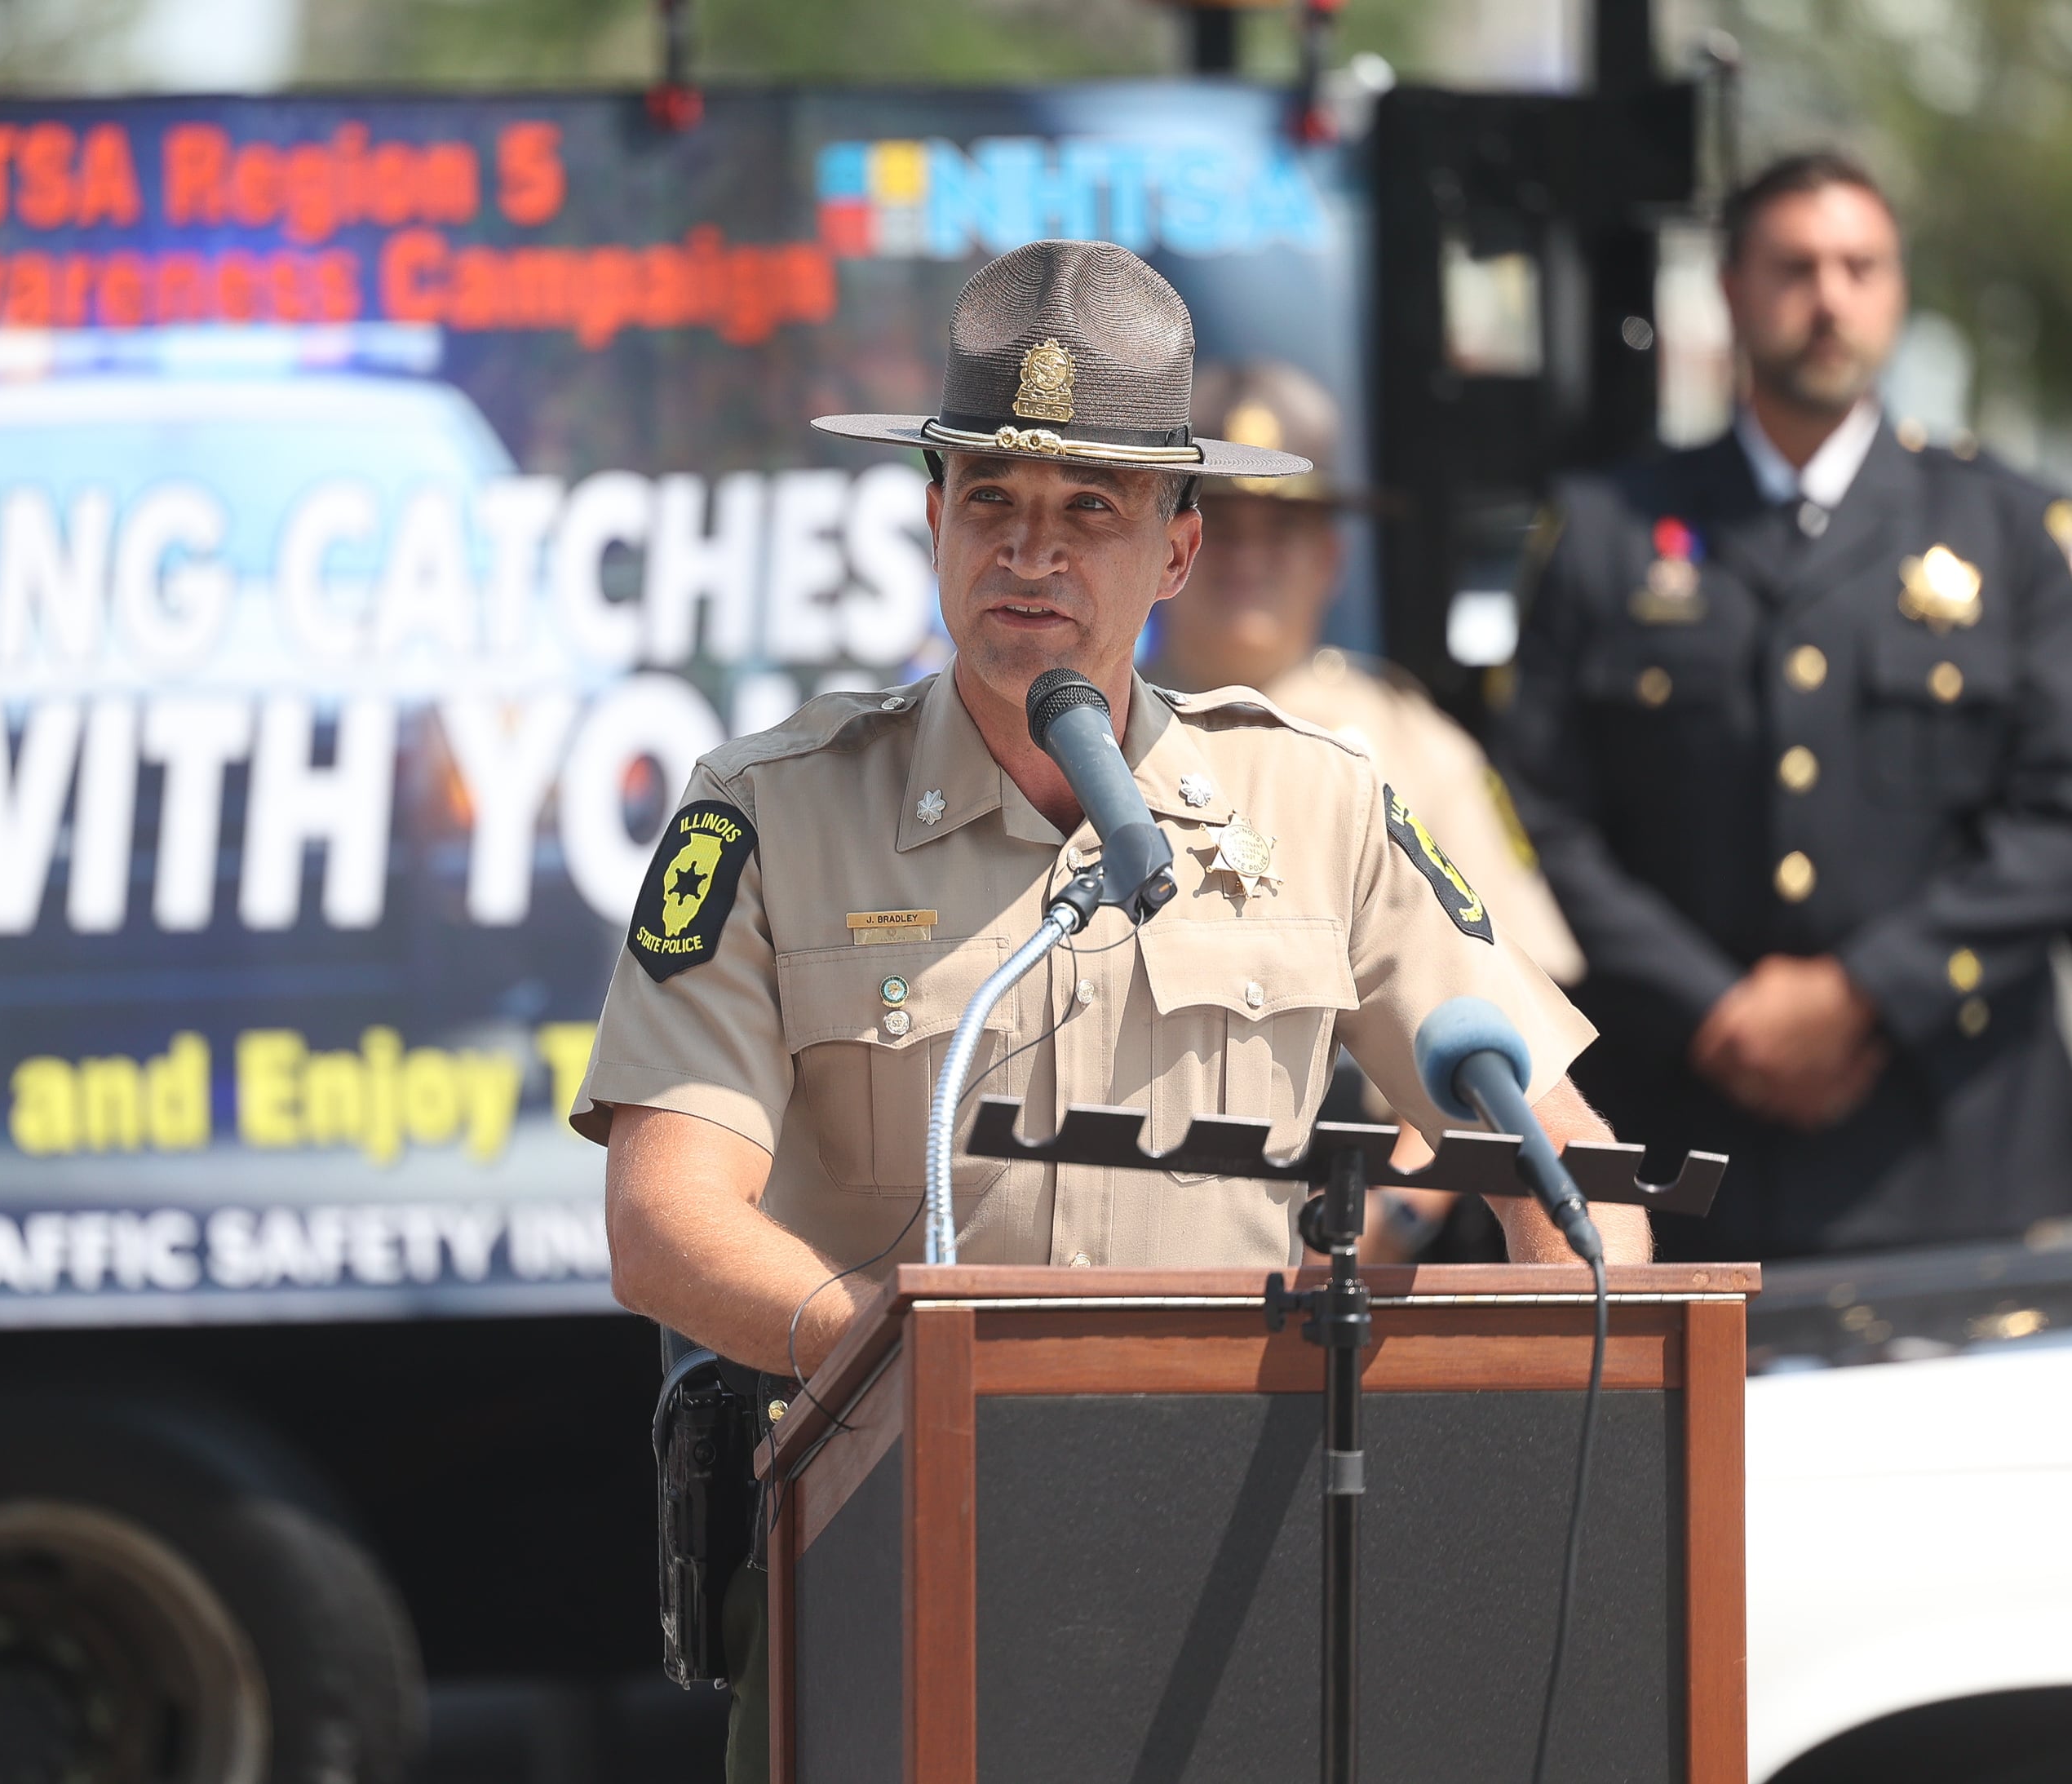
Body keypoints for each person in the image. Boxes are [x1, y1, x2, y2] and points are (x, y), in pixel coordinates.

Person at [571, 239, 1650, 1783]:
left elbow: (1571, 1184)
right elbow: (662, 1216)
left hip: (1230, 1572)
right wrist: (876, 1353)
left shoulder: (1322, 805)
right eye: (994, 506)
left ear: (1180, 550)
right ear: (932, 520)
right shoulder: (772, 813)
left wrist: (1544, 1486)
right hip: (890, 1557)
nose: (1035, 554)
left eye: (1094, 508)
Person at [1498, 150, 2072, 1264]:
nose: (1830, 298)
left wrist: (1865, 993)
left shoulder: (2012, 529)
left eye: (1861, 266)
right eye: (1795, 266)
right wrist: (1716, 1010)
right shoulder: (1608, 529)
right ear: (1730, 289)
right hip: (1678, 1139)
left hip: (1953, 1149)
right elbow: (1538, 815)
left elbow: (2059, 816)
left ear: (1898, 289)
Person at [1153, 359, 1586, 1259]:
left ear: (1332, 556)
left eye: (1284, 532)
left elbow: (1505, 1039)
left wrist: (1383, 1219)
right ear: (1172, 545)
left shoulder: (1413, 744)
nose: (1248, 562)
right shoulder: (1086, 738)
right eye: (1222, 528)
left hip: (1360, 1225)